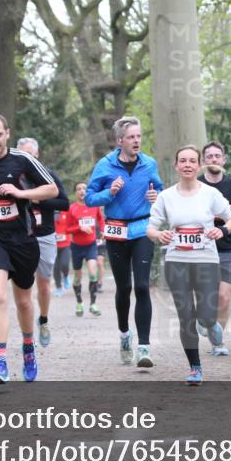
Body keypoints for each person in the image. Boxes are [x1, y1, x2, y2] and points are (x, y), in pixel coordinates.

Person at [0, 115, 58, 384]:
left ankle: (28, 349)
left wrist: (20, 194)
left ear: (7, 134)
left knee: (24, 301)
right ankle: (1, 363)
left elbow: (51, 190)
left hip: (23, 239)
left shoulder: (22, 160)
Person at [148, 145, 231, 385]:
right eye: (183, 161)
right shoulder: (166, 196)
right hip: (177, 262)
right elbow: (151, 227)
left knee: (207, 315)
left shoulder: (210, 194)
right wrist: (159, 235)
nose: (187, 165)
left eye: (192, 161)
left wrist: (221, 230)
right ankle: (195, 367)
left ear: (199, 166)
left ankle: (210, 325)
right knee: (186, 316)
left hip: (206, 261)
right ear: (177, 166)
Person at [86, 116, 162, 367]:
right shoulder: (105, 166)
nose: (136, 140)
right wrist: (110, 193)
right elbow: (89, 198)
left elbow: (161, 192)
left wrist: (156, 195)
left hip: (142, 228)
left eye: (139, 136)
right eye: (131, 137)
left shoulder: (149, 164)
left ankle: (144, 347)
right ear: (120, 141)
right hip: (116, 231)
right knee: (124, 288)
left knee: (142, 286)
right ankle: (124, 335)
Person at [16, 137, 69, 348]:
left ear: (37, 155)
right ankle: (27, 333)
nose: (26, 158)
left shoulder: (48, 176)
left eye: (30, 154)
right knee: (24, 286)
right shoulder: (13, 177)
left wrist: (38, 199)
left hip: (45, 235)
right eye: (22, 154)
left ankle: (44, 320)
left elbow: (64, 203)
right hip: (20, 235)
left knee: (44, 284)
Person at [197, 140, 231, 356]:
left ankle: (218, 343)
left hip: (226, 246)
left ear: (224, 160)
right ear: (203, 161)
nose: (214, 159)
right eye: (209, 156)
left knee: (224, 298)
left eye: (217, 156)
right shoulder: (196, 185)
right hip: (200, 246)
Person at [68, 182, 104, 317]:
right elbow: (67, 229)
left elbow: (100, 220)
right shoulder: (72, 208)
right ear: (75, 193)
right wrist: (79, 228)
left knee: (93, 272)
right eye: (78, 189)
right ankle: (79, 302)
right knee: (77, 277)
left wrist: (103, 230)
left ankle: (93, 304)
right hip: (76, 246)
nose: (82, 191)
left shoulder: (93, 206)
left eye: (84, 188)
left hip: (91, 245)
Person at [53, 209, 72, 296]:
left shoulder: (66, 212)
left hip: (65, 244)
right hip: (54, 246)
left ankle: (65, 276)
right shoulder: (49, 214)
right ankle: (58, 288)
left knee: (64, 264)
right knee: (56, 268)